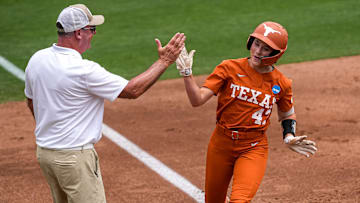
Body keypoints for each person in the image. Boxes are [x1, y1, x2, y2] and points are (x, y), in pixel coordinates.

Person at [24, 4, 185, 203]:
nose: (94, 34)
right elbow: (132, 90)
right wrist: (165, 61)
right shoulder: (83, 70)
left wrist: (52, 130)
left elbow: (31, 101)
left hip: (45, 154)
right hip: (75, 158)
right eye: (92, 29)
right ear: (78, 33)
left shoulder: (37, 59)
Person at [175, 21, 317, 203]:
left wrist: (289, 136)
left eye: (265, 48)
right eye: (257, 44)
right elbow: (197, 100)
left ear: (276, 53)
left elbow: (287, 114)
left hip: (253, 148)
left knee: (240, 200)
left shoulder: (282, 83)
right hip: (221, 144)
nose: (258, 51)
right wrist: (187, 74)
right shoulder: (229, 68)